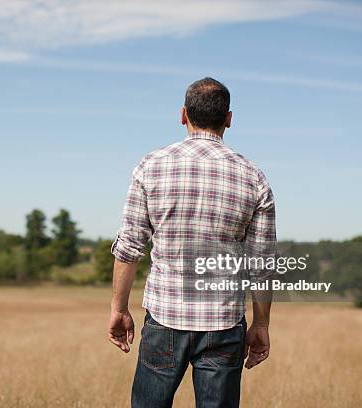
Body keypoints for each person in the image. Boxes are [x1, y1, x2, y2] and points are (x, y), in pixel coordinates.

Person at [108, 77, 276, 408]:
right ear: (228, 118)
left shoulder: (151, 166)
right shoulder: (254, 176)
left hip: (164, 318)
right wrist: (261, 324)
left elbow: (129, 247)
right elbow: (262, 263)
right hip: (225, 323)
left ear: (183, 115)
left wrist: (118, 308)